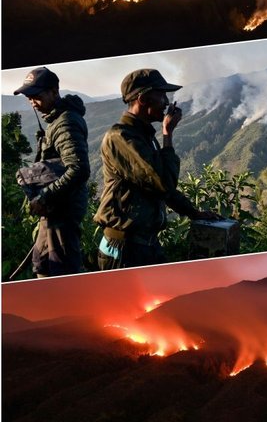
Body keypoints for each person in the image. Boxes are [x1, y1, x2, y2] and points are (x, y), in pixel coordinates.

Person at [94, 68, 217, 270]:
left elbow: (158, 188)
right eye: (161, 95)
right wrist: (167, 135)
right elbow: (163, 182)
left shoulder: (143, 136)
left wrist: (193, 213)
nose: (167, 102)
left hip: (144, 245)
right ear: (142, 99)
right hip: (124, 249)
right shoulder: (122, 138)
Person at [13, 66, 90, 277]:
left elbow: (79, 170)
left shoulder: (65, 123)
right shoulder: (56, 120)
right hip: (56, 211)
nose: (32, 101)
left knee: (61, 275)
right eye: (29, 96)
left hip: (63, 213)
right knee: (43, 266)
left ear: (54, 92)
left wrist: (43, 197)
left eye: (36, 95)